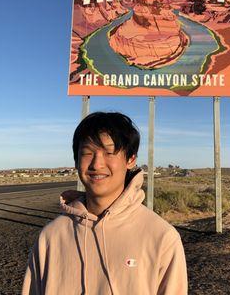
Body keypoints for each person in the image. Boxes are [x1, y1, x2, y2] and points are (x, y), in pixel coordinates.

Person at [22, 111, 188, 295]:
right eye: (87, 152)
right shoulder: (51, 237)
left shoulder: (161, 237)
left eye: (109, 152)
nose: (97, 164)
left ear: (130, 159)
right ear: (76, 161)